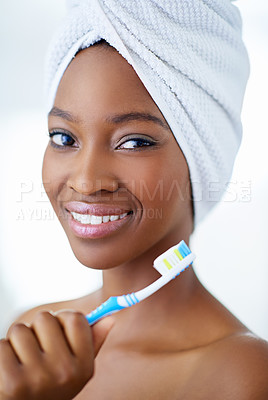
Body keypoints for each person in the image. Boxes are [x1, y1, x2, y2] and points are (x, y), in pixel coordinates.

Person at [1, 1, 268, 399]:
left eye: (135, 142)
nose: (87, 181)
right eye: (64, 138)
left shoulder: (243, 375)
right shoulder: (33, 335)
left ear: (202, 157)